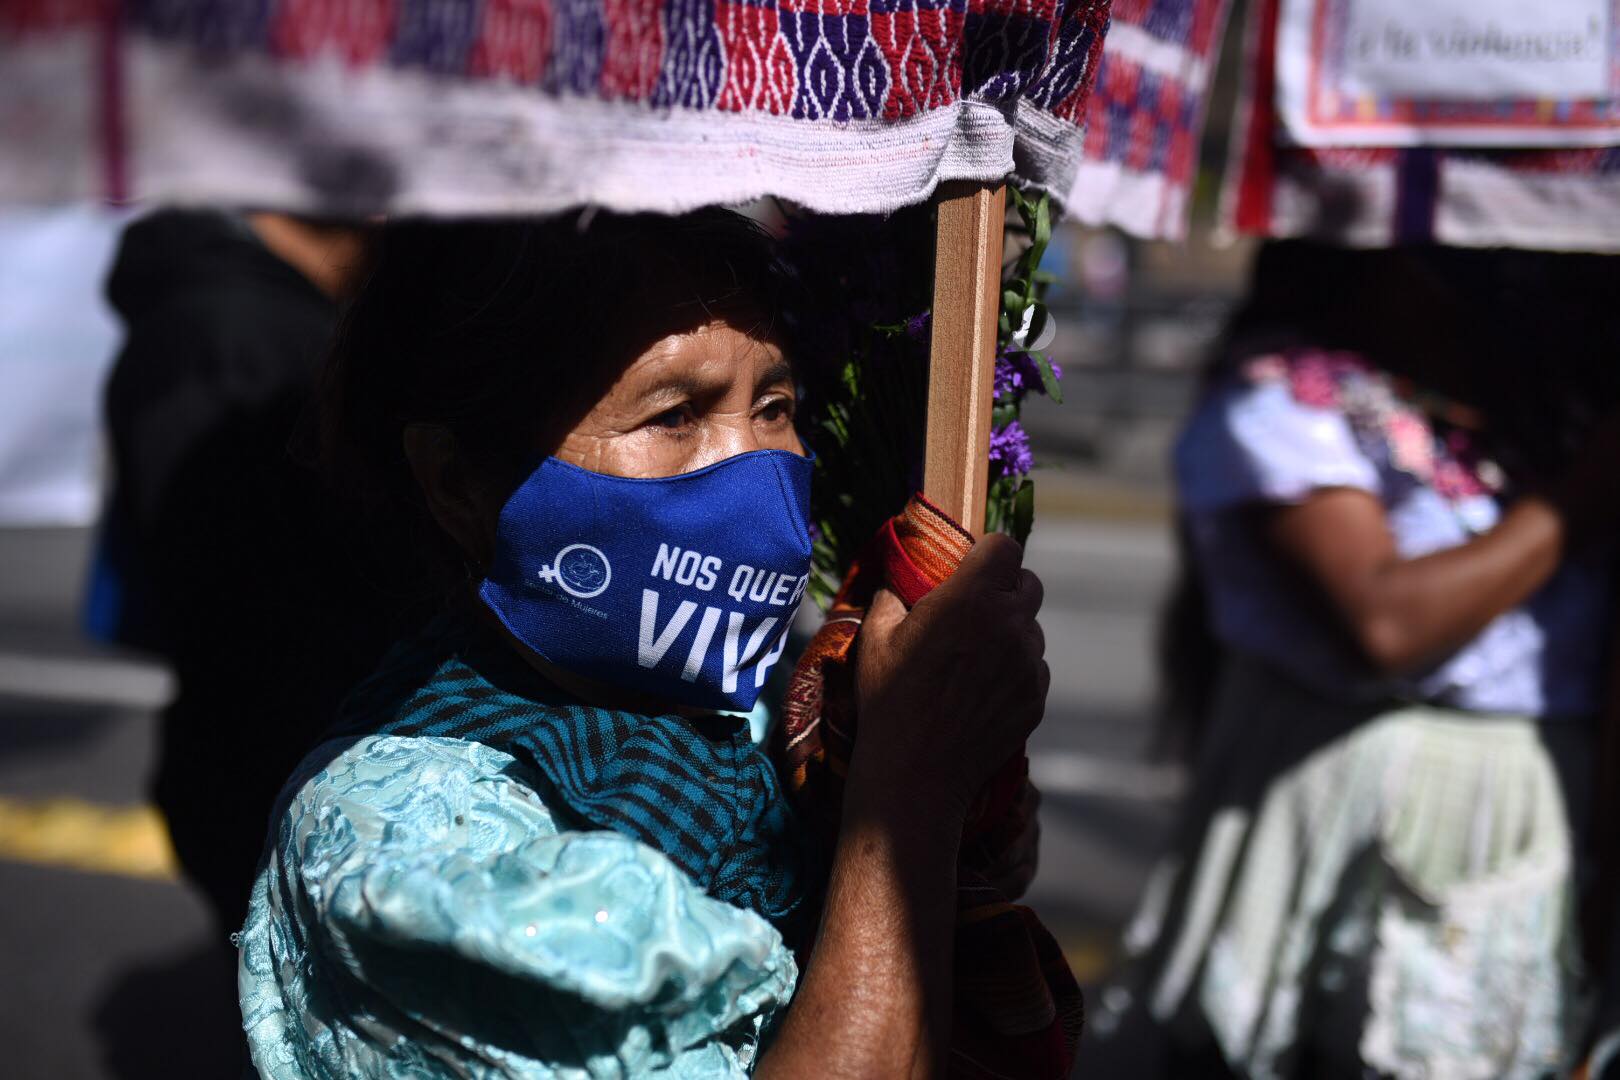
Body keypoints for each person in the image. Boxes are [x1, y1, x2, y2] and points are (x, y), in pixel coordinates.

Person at [235, 209, 1052, 1077]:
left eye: (775, 406)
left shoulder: (751, 704)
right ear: (458, 483)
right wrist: (910, 798)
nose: (754, 465)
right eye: (675, 416)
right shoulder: (412, 844)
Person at [1093, 242, 1620, 1078]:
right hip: (1352, 834)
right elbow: (1386, 623)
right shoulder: (1285, 397)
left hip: (1526, 839)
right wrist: (1582, 497)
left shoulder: (1540, 409)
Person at [93, 210, 411, 935]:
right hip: (280, 762)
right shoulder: (237, 331)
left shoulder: (254, 316)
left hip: (273, 752)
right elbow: (243, 584)